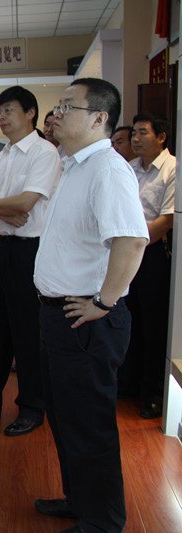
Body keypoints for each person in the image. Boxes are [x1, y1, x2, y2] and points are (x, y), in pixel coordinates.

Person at [33, 78, 148, 533]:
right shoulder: (75, 165)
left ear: (99, 117)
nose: (57, 114)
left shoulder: (108, 169)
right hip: (59, 314)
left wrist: (104, 301)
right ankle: (81, 500)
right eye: (59, 105)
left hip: (86, 318)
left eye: (68, 106)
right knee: (66, 417)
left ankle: (103, 521)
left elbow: (132, 241)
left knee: (88, 424)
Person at [0, 86, 61, 436]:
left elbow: (26, 204)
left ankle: (32, 406)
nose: (2, 117)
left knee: (27, 331)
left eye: (8, 110)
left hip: (28, 251)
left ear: (30, 113)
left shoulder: (44, 152)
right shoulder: (4, 155)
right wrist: (5, 211)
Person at [122, 112, 175, 419]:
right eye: (134, 134)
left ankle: (154, 393)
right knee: (129, 320)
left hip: (153, 253)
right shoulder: (129, 169)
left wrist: (136, 244)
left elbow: (167, 219)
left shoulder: (172, 169)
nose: (136, 138)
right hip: (126, 251)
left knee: (154, 325)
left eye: (143, 132)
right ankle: (128, 383)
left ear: (161, 137)